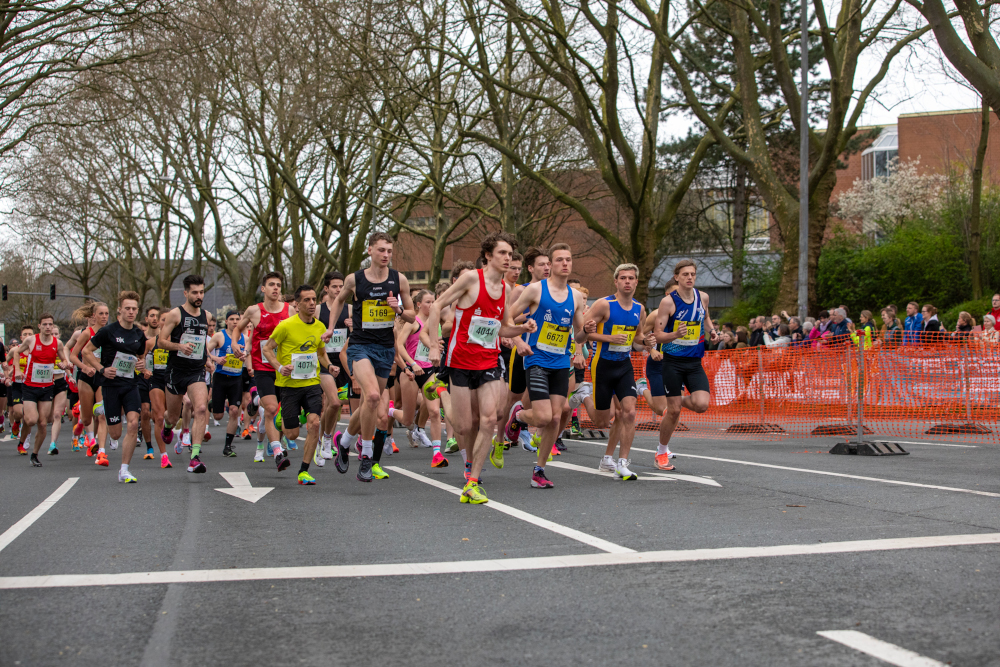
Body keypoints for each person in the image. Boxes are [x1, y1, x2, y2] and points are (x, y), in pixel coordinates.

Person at [426, 232, 534, 502]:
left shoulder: (507, 290)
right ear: (488, 255)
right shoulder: (472, 279)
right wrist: (432, 345)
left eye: (510, 254)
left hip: (487, 360)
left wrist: (522, 328)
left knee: (489, 419)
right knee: (464, 427)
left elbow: (503, 327)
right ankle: (441, 391)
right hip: (460, 361)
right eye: (502, 253)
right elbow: (437, 305)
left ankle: (472, 482)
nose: (508, 258)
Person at [323, 232, 416, 482]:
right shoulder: (355, 279)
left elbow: (411, 315)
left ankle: (343, 442)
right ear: (370, 251)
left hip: (385, 348)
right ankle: (365, 455)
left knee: (369, 404)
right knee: (373, 396)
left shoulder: (400, 280)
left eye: (389, 251)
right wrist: (331, 328)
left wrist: (397, 309)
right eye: (381, 250)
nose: (386, 255)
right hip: (360, 345)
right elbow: (338, 302)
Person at [503, 243, 588, 491]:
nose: (564, 263)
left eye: (568, 259)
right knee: (541, 416)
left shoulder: (575, 297)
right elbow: (507, 317)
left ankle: (539, 470)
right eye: (559, 259)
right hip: (537, 359)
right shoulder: (535, 291)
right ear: (550, 264)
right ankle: (518, 416)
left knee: (555, 416)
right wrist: (518, 337)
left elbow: (580, 336)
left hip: (561, 362)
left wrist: (587, 333)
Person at [583, 263, 651, 479]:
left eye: (631, 278)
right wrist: (609, 338)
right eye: (623, 278)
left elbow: (638, 337)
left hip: (624, 365)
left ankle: (622, 462)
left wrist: (646, 341)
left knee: (628, 412)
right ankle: (584, 395)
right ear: (616, 281)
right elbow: (581, 333)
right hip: (602, 365)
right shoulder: (604, 305)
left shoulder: (639, 309)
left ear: (636, 282)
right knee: (602, 422)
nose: (627, 282)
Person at [263, 284, 335, 485]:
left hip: (312, 383)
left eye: (314, 299)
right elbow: (268, 349)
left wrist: (330, 365)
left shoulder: (320, 327)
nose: (312, 303)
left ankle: (304, 471)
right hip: (289, 385)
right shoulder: (286, 325)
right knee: (292, 434)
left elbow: (320, 353)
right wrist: (279, 367)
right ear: (297, 304)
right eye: (307, 300)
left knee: (314, 424)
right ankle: (282, 420)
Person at [652, 259, 720, 470]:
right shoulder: (668, 302)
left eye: (692, 274)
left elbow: (705, 318)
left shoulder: (703, 298)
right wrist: (675, 334)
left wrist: (712, 331)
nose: (689, 277)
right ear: (676, 277)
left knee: (701, 404)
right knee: (673, 412)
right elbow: (658, 335)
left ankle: (676, 399)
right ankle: (661, 452)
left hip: (694, 362)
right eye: (685, 274)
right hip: (672, 362)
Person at [82, 291, 154, 483]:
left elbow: (140, 357)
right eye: (127, 308)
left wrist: (141, 366)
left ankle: (124, 469)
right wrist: (101, 369)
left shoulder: (139, 334)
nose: (131, 312)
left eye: (134, 309)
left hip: (131, 384)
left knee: (132, 423)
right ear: (119, 310)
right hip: (111, 385)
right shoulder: (108, 331)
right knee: (115, 433)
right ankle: (103, 408)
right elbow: (86, 351)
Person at [233, 271, 291, 464]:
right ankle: (277, 452)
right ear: (263, 289)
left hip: (283, 368)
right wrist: (235, 344)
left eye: (278, 285)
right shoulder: (254, 311)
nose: (276, 288)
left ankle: (256, 401)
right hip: (263, 367)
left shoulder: (289, 311)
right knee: (272, 408)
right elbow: (238, 328)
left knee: (282, 412)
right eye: (272, 284)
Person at [159, 275, 211, 474]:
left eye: (201, 292)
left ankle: (195, 457)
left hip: (196, 371)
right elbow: (161, 341)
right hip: (175, 371)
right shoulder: (175, 314)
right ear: (186, 293)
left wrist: (206, 358)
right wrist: (179, 345)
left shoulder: (206, 316)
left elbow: (201, 341)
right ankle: (167, 426)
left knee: (200, 408)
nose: (199, 296)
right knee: (173, 416)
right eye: (195, 292)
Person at [392, 289, 447, 467]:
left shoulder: (435, 322)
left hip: (429, 372)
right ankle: (390, 410)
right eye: (428, 302)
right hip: (410, 373)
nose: (432, 305)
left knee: (435, 411)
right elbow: (399, 346)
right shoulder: (413, 322)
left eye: (433, 302)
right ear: (418, 304)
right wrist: (411, 364)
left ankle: (437, 453)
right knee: (408, 420)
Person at [13, 314, 72, 467]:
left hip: (47, 386)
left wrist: (63, 364)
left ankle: (34, 454)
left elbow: (64, 359)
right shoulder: (31, 340)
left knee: (43, 423)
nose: (48, 327)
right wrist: (17, 370)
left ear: (53, 326)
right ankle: (22, 438)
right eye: (45, 324)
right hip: (30, 386)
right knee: (31, 419)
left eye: (50, 324)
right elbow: (17, 353)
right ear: (39, 326)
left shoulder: (57, 343)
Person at [315, 271, 351, 466]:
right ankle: (325, 440)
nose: (339, 290)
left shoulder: (350, 309)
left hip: (343, 361)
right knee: (333, 403)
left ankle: (323, 439)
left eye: (341, 286)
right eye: (335, 286)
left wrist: (353, 327)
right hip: (324, 362)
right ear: (326, 288)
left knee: (333, 407)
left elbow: (358, 334)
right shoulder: (319, 311)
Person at [69, 302, 110, 461]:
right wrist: (84, 368)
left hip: (101, 377)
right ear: (94, 316)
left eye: (106, 314)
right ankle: (83, 426)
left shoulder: (110, 333)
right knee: (87, 418)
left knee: (102, 414)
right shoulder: (87, 333)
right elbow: (73, 356)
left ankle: (100, 451)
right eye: (101, 314)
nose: (104, 317)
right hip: (86, 377)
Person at [207, 310, 246, 457]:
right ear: (227, 321)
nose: (235, 322)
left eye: (237, 319)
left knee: (234, 411)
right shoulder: (219, 336)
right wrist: (215, 359)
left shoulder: (244, 337)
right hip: (221, 377)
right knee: (217, 416)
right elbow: (205, 351)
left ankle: (228, 446)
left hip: (236, 378)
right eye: (232, 319)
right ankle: (213, 403)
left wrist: (244, 358)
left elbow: (248, 354)